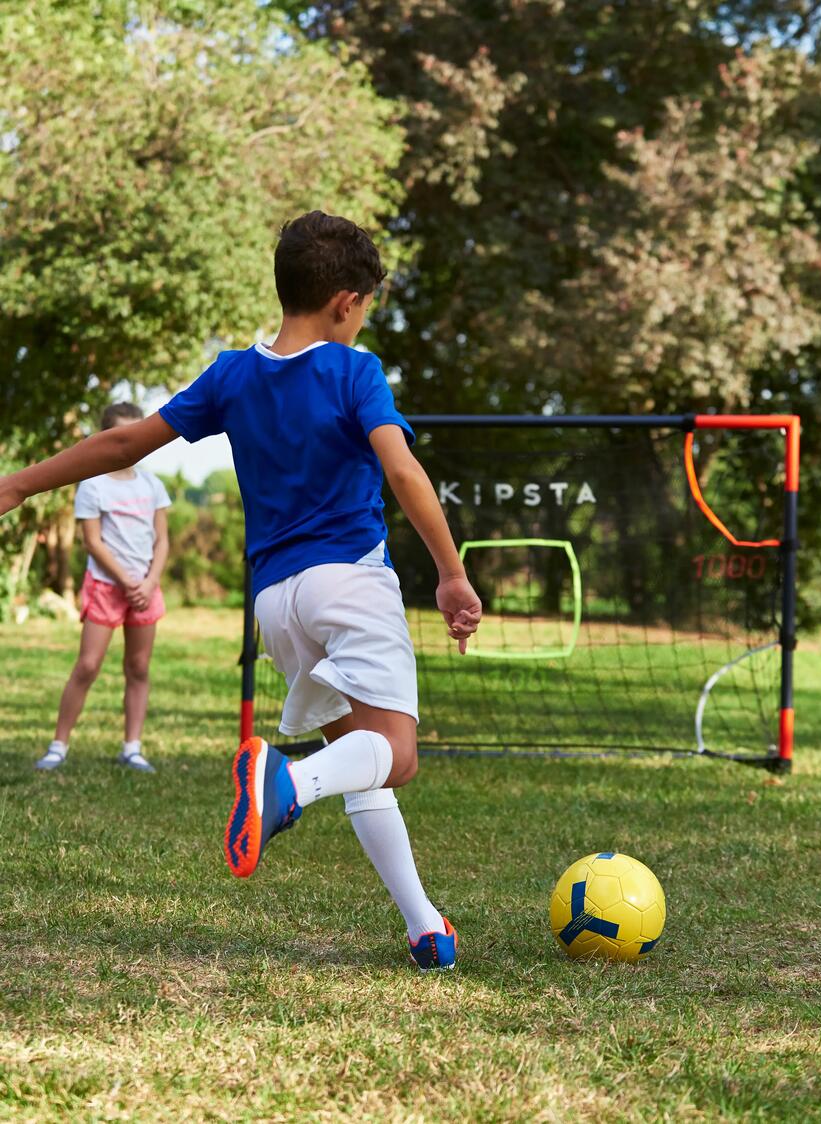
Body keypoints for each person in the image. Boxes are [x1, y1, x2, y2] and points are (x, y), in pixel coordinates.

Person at [0, 211, 481, 971]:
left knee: (356, 751)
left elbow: (126, 442)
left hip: (277, 603)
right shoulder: (353, 370)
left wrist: (21, 483)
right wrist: (452, 572)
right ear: (346, 303)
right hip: (349, 580)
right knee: (395, 754)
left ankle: (424, 925)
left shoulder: (232, 373)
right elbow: (402, 470)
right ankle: (284, 781)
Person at [35, 403, 170, 774]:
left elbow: (162, 541)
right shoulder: (92, 485)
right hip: (107, 587)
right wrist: (126, 581)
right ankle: (58, 746)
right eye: (123, 435)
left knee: (139, 666)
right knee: (88, 665)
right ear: (106, 438)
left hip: (145, 588)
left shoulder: (152, 485)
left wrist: (148, 581)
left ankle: (132, 748)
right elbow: (93, 542)